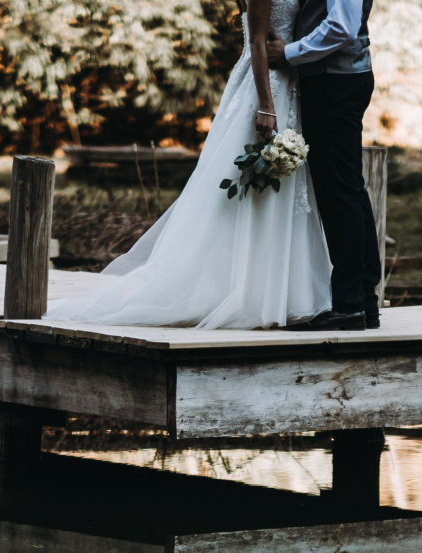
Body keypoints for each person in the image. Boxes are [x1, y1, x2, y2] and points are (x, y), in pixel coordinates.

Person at [46, 0, 331, 330]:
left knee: (279, 192)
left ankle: (278, 293)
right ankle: (235, 292)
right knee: (244, 187)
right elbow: (256, 40)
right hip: (265, 87)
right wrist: (266, 105)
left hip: (288, 84)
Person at [267, 0, 382, 331]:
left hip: (335, 81)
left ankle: (349, 306)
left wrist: (289, 53)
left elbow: (342, 27)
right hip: (338, 79)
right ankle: (362, 301)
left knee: (338, 193)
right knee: (347, 189)